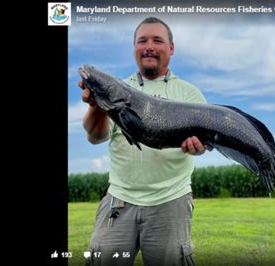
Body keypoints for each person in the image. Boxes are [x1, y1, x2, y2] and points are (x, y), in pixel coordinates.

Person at [79, 17, 211, 266]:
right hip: (119, 200)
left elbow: (203, 141)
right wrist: (97, 105)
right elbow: (95, 137)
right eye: (142, 41)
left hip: (171, 201)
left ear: (171, 48)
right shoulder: (118, 89)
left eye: (157, 40)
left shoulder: (189, 94)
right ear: (135, 49)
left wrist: (200, 147)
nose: (149, 45)